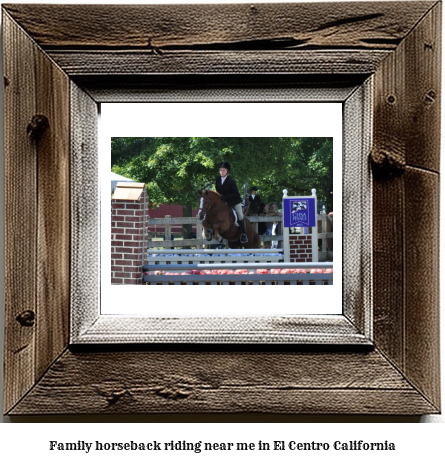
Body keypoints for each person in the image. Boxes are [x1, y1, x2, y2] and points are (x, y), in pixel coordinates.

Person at [215, 161, 248, 243]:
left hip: (234, 201)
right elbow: (218, 190)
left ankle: (244, 234)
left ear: (227, 171)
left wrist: (225, 197)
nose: (222, 172)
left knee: (240, 215)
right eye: (221, 170)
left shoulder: (231, 181)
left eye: (224, 170)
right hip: (222, 201)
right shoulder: (217, 179)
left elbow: (236, 193)